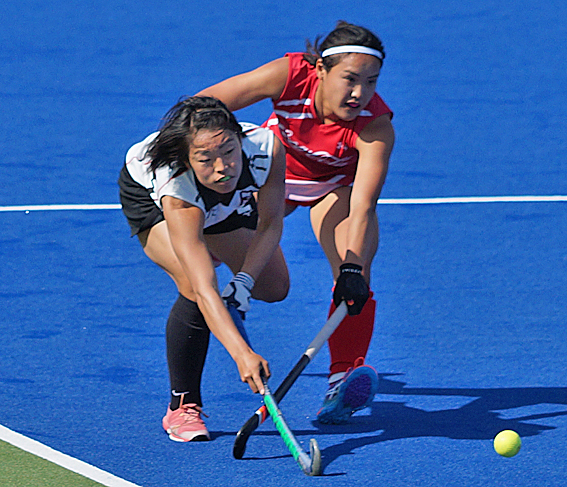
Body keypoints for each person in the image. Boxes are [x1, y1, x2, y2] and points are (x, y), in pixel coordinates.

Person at [198, 21, 395, 424]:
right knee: (216, 255)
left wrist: (352, 269)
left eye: (371, 82)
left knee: (355, 268)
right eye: (350, 79)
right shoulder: (289, 76)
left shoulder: (375, 125)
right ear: (320, 70)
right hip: (272, 175)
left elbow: (363, 205)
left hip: (334, 188)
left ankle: (341, 380)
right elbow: (206, 105)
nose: (359, 93)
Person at [118, 96, 289, 441]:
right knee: (193, 284)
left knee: (273, 287)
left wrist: (244, 280)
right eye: (206, 159)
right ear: (187, 159)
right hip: (153, 201)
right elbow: (204, 287)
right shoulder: (176, 188)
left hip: (221, 203)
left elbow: (271, 223)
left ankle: (201, 243)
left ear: (239, 139)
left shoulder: (266, 149)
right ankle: (183, 405)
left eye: (228, 151)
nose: (222, 167)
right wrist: (242, 354)